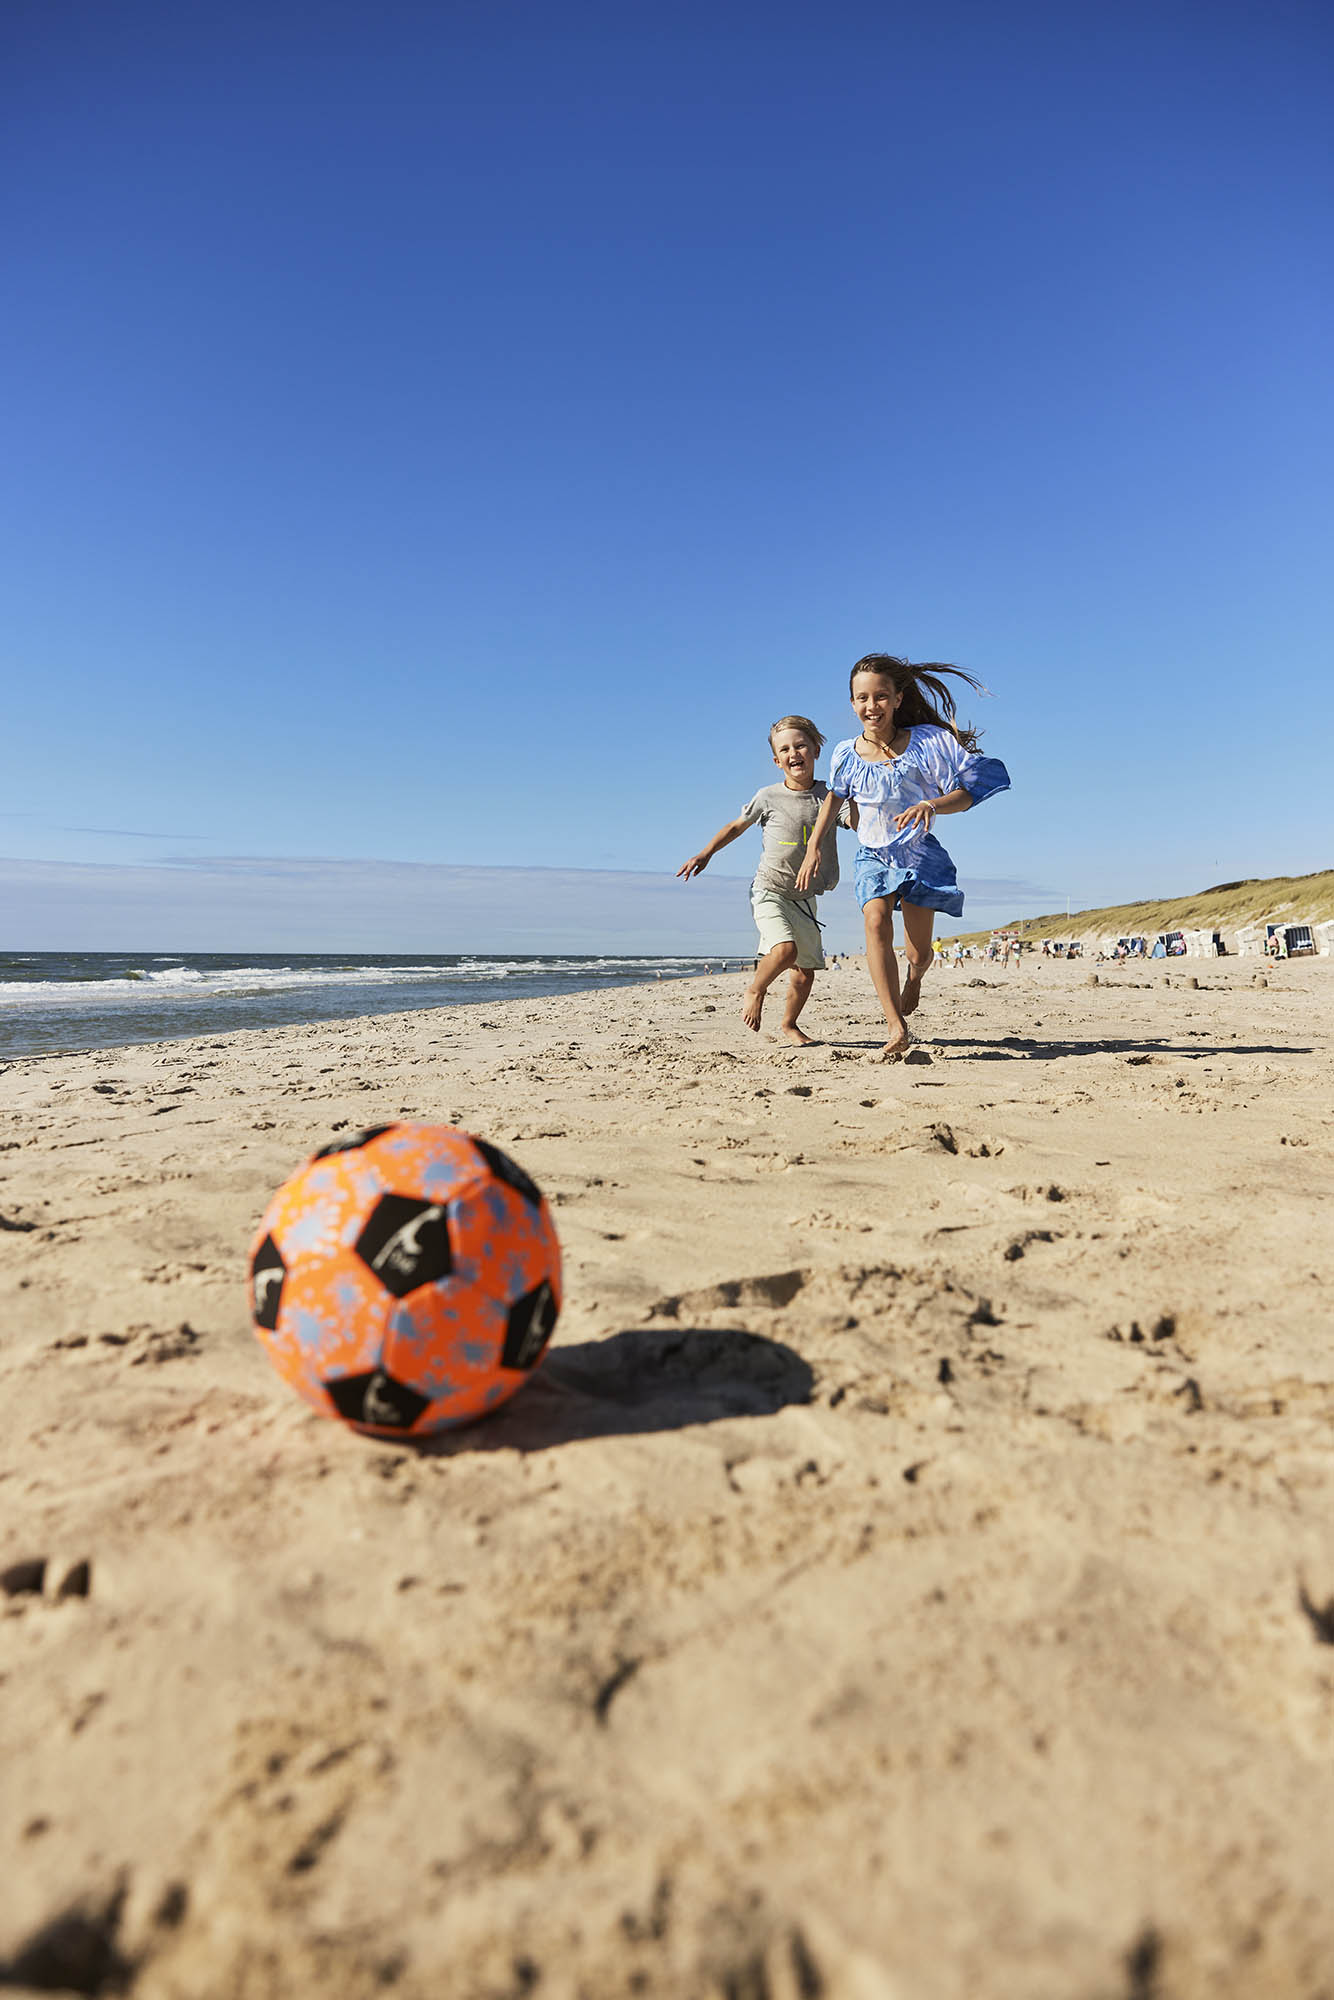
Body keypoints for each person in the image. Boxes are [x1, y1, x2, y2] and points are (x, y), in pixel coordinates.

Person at [796, 653, 1010, 1059]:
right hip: (872, 855)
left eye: (880, 696)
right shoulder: (845, 754)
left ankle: (915, 976)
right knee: (875, 920)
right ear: (852, 704)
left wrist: (931, 805)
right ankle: (896, 1026)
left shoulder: (929, 742)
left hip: (919, 856)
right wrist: (813, 849)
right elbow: (832, 801)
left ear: (897, 699)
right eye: (862, 698)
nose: (871, 706)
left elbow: (969, 791)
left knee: (919, 952)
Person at [678, 715, 854, 1046]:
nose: (793, 753)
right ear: (776, 761)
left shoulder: (830, 796)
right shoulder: (768, 796)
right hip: (769, 889)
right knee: (785, 951)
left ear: (816, 750)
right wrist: (706, 853)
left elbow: (854, 821)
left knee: (804, 974)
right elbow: (736, 826)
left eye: (800, 746)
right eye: (785, 749)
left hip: (804, 898)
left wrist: (857, 792)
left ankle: (789, 1024)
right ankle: (755, 990)